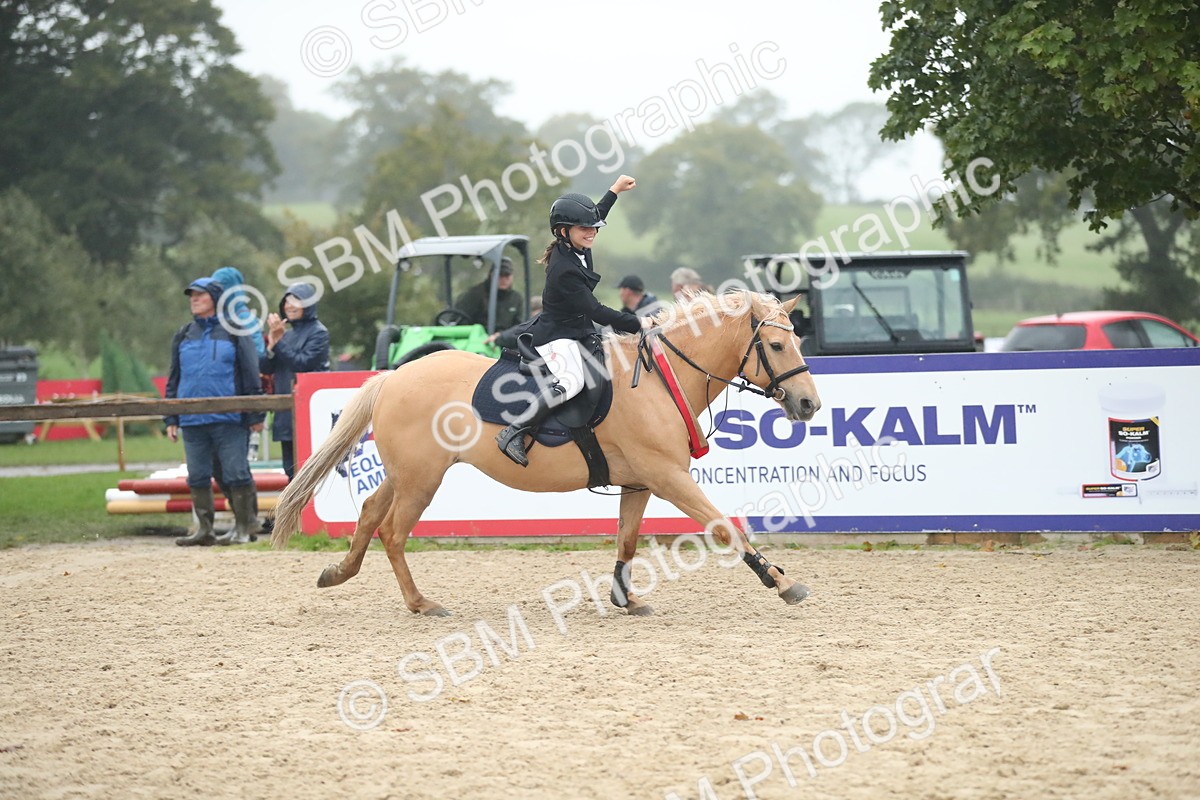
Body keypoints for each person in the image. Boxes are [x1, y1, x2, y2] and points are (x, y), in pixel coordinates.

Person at [495, 176, 654, 467]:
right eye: (585, 229)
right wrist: (638, 324)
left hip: (578, 330)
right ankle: (514, 431)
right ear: (564, 231)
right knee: (571, 381)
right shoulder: (564, 269)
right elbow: (595, 310)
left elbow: (595, 216)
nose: (592, 233)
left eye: (593, 228)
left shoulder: (576, 246)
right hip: (557, 336)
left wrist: (614, 191)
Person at [165, 277, 265, 547]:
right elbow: (173, 377)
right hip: (192, 420)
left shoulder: (235, 332)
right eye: (191, 295)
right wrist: (170, 416)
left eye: (200, 295)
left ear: (216, 299)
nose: (193, 299)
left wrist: (256, 415)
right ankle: (205, 530)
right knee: (196, 476)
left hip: (230, 419)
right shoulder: (183, 333)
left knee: (236, 473)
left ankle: (244, 528)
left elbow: (250, 374)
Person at [261, 282, 331, 480]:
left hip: (309, 412)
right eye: (287, 301)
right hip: (285, 411)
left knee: (310, 470)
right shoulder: (286, 334)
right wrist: (271, 345)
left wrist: (280, 343)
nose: (289, 306)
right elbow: (265, 368)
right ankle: (295, 512)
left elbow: (303, 364)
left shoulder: (319, 332)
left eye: (296, 301)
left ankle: (310, 511)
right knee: (290, 471)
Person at [454, 257, 523, 331]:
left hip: (506, 339)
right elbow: (460, 321)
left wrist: (504, 336)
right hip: (478, 338)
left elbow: (518, 327)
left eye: (507, 276)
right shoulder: (475, 294)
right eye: (500, 275)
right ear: (491, 275)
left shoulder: (516, 299)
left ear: (512, 277)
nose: (503, 279)